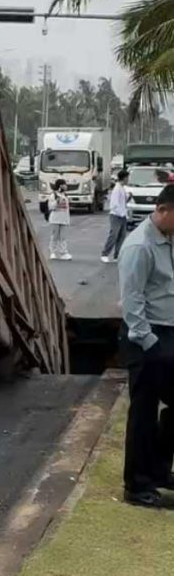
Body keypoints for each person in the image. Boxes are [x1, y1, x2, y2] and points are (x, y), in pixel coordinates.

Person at [118, 184, 174, 508]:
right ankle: (137, 485)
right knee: (143, 411)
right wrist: (151, 344)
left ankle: (158, 470)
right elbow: (131, 300)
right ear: (163, 210)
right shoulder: (140, 246)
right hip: (145, 338)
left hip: (168, 332)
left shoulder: (168, 239)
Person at [101, 169, 130, 263]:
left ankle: (117, 256)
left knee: (121, 236)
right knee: (114, 235)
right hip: (116, 215)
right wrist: (120, 213)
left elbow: (123, 201)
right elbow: (114, 204)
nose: (128, 179)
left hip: (123, 215)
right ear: (124, 178)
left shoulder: (122, 188)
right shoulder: (117, 189)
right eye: (127, 177)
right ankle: (105, 254)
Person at [48, 179, 71, 260]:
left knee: (63, 237)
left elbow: (67, 208)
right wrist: (57, 201)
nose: (66, 186)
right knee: (55, 236)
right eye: (64, 184)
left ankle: (63, 252)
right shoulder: (53, 195)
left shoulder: (65, 195)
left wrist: (68, 219)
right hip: (55, 219)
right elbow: (51, 207)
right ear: (60, 185)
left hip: (64, 219)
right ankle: (53, 252)